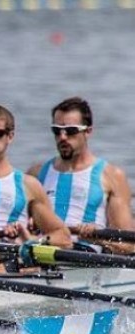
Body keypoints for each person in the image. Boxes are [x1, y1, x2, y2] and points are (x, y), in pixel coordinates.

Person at [0, 105, 72, 253]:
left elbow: (63, 237)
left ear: (10, 136)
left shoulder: (28, 185)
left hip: (8, 259)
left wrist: (33, 241)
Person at [27, 97, 133, 252]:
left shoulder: (112, 176)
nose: (62, 137)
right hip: (41, 254)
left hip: (86, 258)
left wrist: (99, 239)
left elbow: (128, 245)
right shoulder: (36, 174)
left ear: (88, 131)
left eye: (70, 131)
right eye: (57, 131)